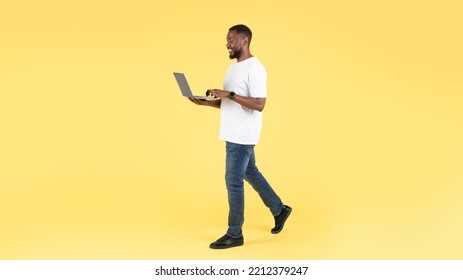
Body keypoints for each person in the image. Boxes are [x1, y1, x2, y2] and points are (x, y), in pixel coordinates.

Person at [189, 24, 292, 249]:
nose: (227, 43)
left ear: (244, 41)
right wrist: (207, 103)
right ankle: (279, 209)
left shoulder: (255, 68)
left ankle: (235, 233)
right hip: (233, 131)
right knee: (250, 173)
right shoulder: (234, 68)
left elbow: (259, 104)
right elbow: (231, 104)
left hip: (242, 136)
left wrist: (229, 94)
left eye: (231, 40)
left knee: (233, 183)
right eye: (227, 40)